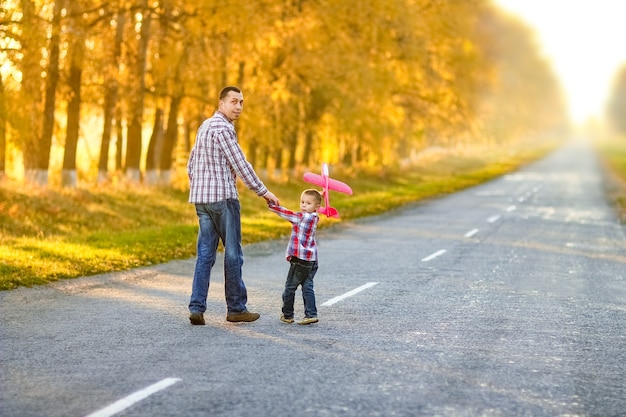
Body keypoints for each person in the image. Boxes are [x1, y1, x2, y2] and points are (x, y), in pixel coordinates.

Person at [187, 86, 280, 325]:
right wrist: (264, 192)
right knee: (233, 254)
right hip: (223, 200)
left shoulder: (205, 126)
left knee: (205, 255)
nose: (238, 107)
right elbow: (241, 164)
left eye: (241, 102)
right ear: (221, 104)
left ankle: (197, 307)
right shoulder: (223, 129)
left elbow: (191, 164)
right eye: (233, 102)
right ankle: (236, 308)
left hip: (202, 200)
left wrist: (199, 188)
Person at [268, 189, 322, 325]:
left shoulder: (302, 217)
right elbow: (311, 207)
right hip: (312, 260)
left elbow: (287, 214)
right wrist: (319, 197)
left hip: (300, 260)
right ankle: (311, 314)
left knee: (289, 288)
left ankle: (287, 315)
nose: (304, 205)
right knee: (307, 286)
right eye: (302, 202)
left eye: (308, 203)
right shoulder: (315, 217)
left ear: (316, 207)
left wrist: (273, 206)